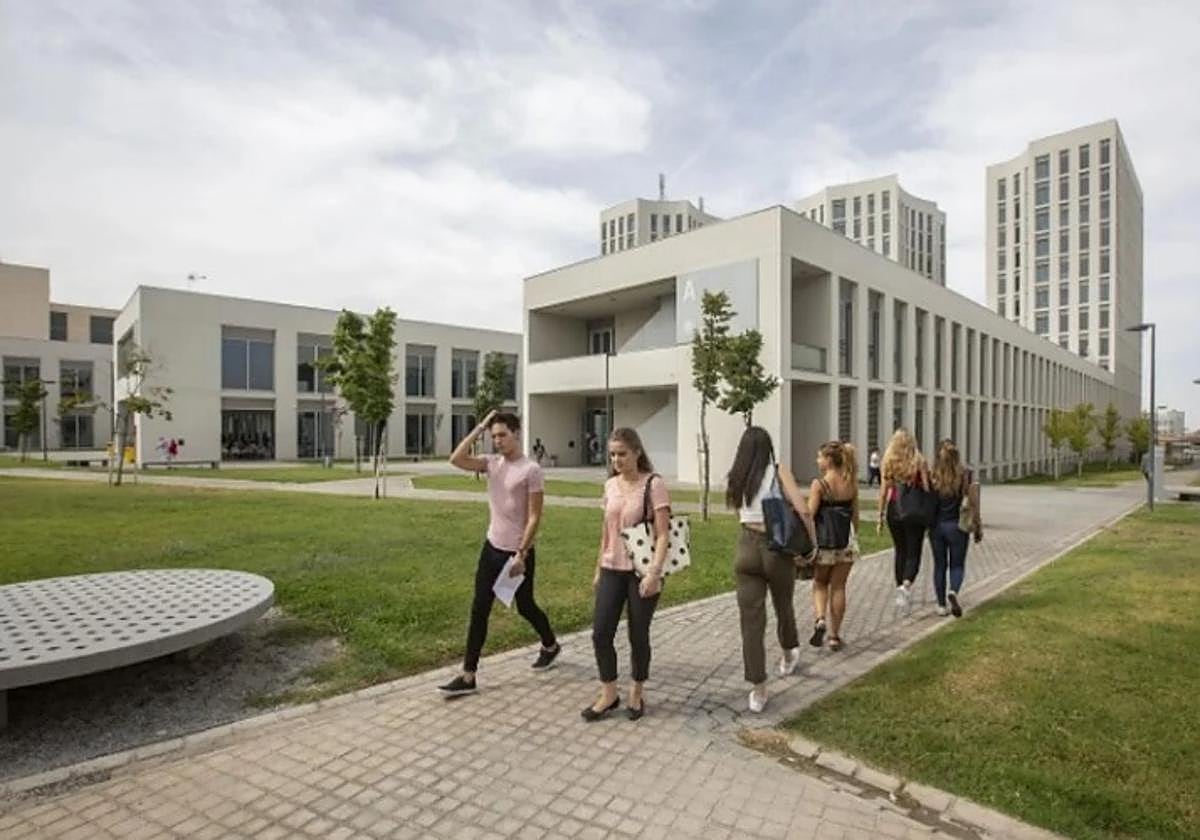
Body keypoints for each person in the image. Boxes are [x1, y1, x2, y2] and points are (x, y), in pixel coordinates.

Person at [438, 410, 560, 696]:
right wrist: (480, 427)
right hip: (491, 548)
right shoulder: (491, 464)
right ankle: (468, 675)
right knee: (480, 608)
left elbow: (534, 517)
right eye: (494, 436)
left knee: (525, 605)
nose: (498, 441)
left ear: (516, 433)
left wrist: (521, 554)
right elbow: (456, 459)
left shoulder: (531, 470)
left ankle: (551, 645)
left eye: (502, 434)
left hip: (517, 553)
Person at [584, 427, 670, 721]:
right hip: (611, 568)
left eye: (622, 453)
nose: (616, 459)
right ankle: (609, 693)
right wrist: (598, 569)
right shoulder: (610, 485)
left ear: (637, 452)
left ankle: (636, 690)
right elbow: (605, 532)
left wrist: (654, 574)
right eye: (612, 454)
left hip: (642, 572)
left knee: (638, 634)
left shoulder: (653, 484)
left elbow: (662, 534)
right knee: (600, 633)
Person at [725, 426, 813, 713]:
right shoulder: (777, 470)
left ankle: (758, 689)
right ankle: (789, 655)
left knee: (750, 623)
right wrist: (811, 543)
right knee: (783, 604)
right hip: (775, 546)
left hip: (745, 548)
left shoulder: (737, 475)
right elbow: (804, 509)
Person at [808, 441, 860, 652]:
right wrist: (854, 537)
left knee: (820, 583)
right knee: (839, 587)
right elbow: (855, 516)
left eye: (819, 457)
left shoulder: (819, 485)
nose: (817, 460)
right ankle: (834, 636)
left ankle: (820, 619)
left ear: (828, 460)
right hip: (845, 542)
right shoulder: (851, 484)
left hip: (824, 543)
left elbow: (810, 514)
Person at [927, 439, 983, 617]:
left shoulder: (932, 476)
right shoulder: (965, 475)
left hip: (936, 527)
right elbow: (973, 502)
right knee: (957, 564)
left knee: (939, 566)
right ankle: (953, 591)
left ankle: (941, 605)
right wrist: (977, 525)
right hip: (957, 526)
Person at [877, 428, 929, 612]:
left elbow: (884, 491)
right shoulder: (919, 461)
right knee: (913, 551)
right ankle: (906, 585)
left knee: (900, 550)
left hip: (895, 509)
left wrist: (880, 516)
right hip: (914, 511)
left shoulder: (888, 462)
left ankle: (900, 587)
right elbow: (926, 488)